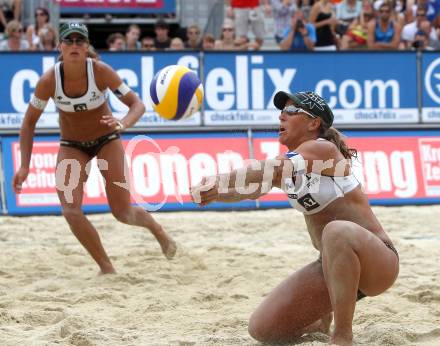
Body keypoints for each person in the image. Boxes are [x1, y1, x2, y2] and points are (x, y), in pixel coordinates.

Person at [190, 91, 399, 345]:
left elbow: (271, 167)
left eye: (291, 111)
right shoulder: (291, 166)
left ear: (314, 123)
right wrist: (215, 194)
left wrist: (218, 178)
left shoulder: (325, 150)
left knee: (335, 231)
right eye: (281, 111)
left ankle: (343, 336)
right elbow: (251, 188)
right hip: (332, 268)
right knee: (263, 330)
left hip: (377, 263)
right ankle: (324, 318)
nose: (281, 116)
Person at [12, 22, 177, 275]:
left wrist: (123, 122)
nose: (75, 45)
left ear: (87, 46)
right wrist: (25, 165)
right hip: (72, 145)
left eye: (80, 41)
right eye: (69, 41)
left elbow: (138, 105)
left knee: (122, 212)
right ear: (60, 46)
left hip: (106, 141)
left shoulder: (100, 71)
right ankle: (106, 267)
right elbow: (28, 124)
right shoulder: (49, 80)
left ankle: (157, 230)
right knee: (70, 210)